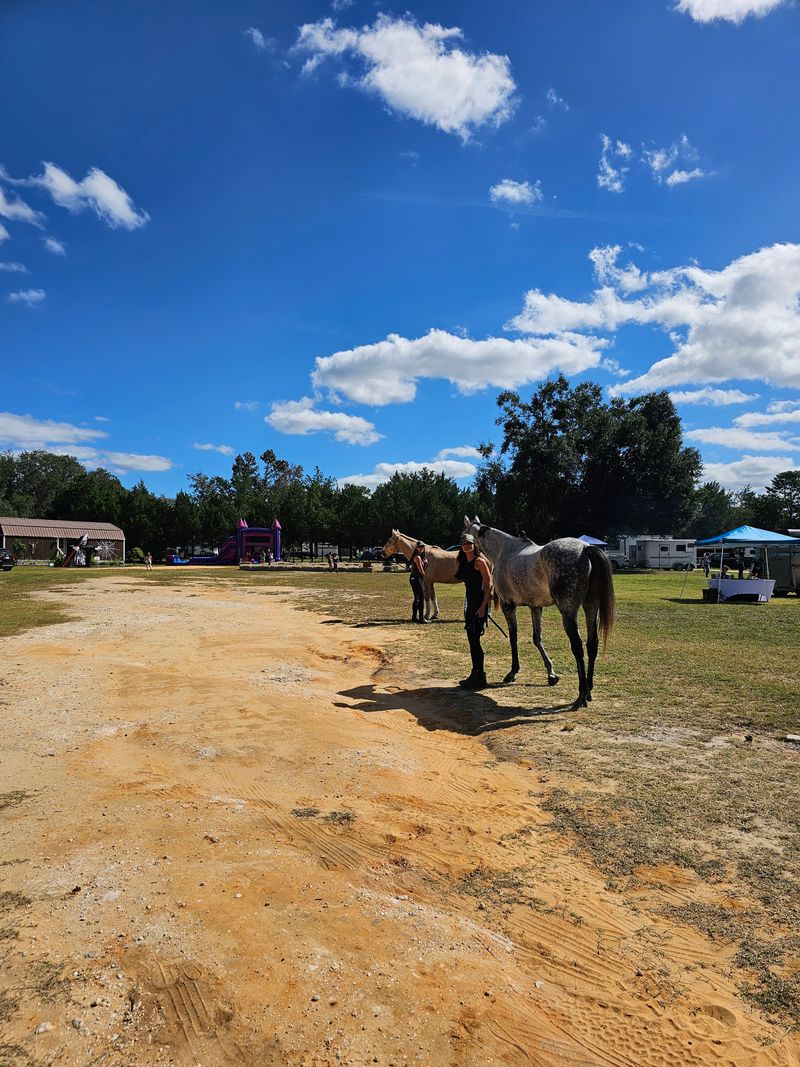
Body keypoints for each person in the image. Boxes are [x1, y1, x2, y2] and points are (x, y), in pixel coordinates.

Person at [455, 533, 492, 690]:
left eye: (469, 543)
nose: (467, 546)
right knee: (472, 641)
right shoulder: (464, 563)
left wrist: (483, 607)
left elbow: (488, 585)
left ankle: (480, 676)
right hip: (470, 605)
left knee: (475, 641)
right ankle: (475, 673)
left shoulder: (479, 562)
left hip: (479, 605)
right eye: (464, 544)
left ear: (474, 545)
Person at [409, 542, 428, 624]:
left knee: (416, 598)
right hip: (416, 578)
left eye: (423, 547)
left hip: (414, 578)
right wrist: (426, 564)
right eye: (420, 547)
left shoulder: (418, 557)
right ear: (416, 548)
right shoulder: (417, 557)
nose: (421, 548)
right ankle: (421, 618)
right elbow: (421, 571)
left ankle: (414, 617)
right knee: (421, 597)